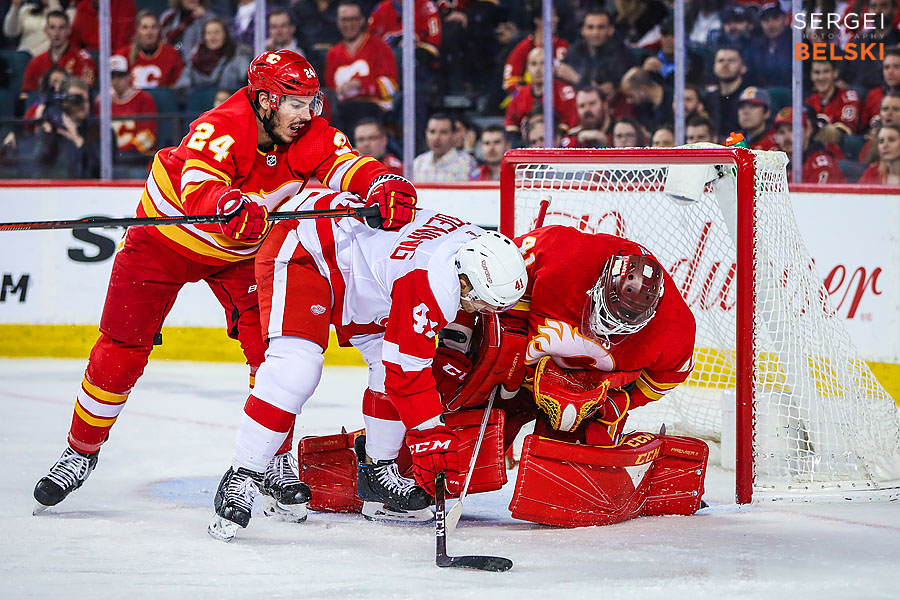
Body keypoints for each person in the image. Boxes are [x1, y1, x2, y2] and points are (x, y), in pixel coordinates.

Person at [32, 50, 418, 515]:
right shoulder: (221, 126)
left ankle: (274, 461)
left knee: (274, 353)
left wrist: (380, 184)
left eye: (312, 102)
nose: (307, 114)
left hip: (240, 254)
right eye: (295, 103)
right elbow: (199, 186)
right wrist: (229, 204)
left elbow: (344, 165)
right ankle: (80, 451)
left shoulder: (305, 129)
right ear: (265, 101)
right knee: (121, 348)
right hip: (164, 239)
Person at [208, 196, 527, 539]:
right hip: (308, 253)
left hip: (365, 276)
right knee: (296, 368)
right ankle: (243, 473)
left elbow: (398, 365)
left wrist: (428, 433)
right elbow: (406, 374)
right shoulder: (434, 280)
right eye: (479, 301)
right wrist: (430, 437)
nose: (479, 310)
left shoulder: (478, 252)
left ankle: (379, 472)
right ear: (464, 281)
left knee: (381, 361)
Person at [432, 226, 700, 527]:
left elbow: (664, 379)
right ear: (597, 287)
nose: (606, 332)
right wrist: (463, 345)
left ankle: (578, 464)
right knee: (473, 390)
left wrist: (621, 401)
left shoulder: (675, 329)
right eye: (605, 317)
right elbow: (486, 282)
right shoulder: (561, 251)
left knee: (578, 449)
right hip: (521, 365)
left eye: (619, 329)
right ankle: (419, 464)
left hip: (591, 391)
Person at [325, 0, 398, 132]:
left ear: (363, 20)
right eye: (344, 20)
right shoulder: (333, 53)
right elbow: (331, 90)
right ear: (337, 22)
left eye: (353, 19)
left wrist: (361, 84)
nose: (348, 24)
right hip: (341, 113)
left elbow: (391, 85)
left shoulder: (379, 47)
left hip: (374, 109)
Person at [30, 75, 99, 178]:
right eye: (77, 99)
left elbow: (96, 169)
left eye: (87, 100)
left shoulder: (99, 130)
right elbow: (41, 165)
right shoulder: (51, 130)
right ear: (64, 102)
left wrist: (75, 137)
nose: (84, 105)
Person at [504, 47, 579, 136]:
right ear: (527, 68)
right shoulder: (519, 94)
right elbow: (510, 129)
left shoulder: (565, 93)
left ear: (552, 67)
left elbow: (574, 131)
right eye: (533, 64)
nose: (538, 69)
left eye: (543, 63)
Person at [20, 10, 97, 94]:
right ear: (46, 30)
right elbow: (27, 95)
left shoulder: (84, 61)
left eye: (61, 28)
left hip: (72, 105)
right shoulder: (35, 63)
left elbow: (87, 92)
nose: (56, 33)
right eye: (52, 27)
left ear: (69, 30)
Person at [99, 55, 158, 159]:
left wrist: (126, 152)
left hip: (138, 158)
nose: (116, 81)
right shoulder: (103, 101)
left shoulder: (144, 99)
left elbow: (148, 135)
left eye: (120, 76)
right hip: (111, 158)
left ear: (129, 76)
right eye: (112, 77)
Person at [557, 9, 633, 88]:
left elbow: (608, 93)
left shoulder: (621, 55)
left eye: (601, 27)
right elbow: (562, 73)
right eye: (590, 27)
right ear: (583, 30)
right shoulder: (575, 50)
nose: (595, 33)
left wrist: (577, 80)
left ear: (611, 30)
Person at [173, 18, 251, 92]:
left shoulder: (239, 55)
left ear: (226, 35)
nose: (212, 37)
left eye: (217, 32)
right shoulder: (195, 58)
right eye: (208, 33)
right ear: (204, 36)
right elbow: (181, 87)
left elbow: (247, 82)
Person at [501, 8, 568, 94]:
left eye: (555, 16)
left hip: (560, 100)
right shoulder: (523, 48)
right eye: (551, 16)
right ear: (537, 20)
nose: (555, 19)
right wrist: (530, 94)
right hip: (530, 102)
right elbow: (509, 83)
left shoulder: (564, 46)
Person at [774, 107, 846, 183]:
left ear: (807, 131)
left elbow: (816, 194)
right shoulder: (777, 163)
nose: (786, 137)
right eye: (781, 132)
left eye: (792, 130)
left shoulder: (821, 164)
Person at [118, 10, 185, 90]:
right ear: (137, 30)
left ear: (159, 29)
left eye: (153, 27)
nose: (149, 32)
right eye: (145, 27)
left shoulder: (172, 54)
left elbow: (179, 86)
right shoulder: (124, 54)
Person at [702, 45, 749, 141]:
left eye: (731, 60)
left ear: (744, 67)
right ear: (714, 67)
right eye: (720, 61)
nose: (725, 64)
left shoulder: (749, 98)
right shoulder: (707, 99)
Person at [413, 113, 476, 181]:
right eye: (432, 132)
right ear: (426, 133)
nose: (436, 138)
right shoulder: (418, 163)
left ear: (453, 135)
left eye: (443, 132)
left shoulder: (465, 163)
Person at [806, 59, 860, 135]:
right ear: (811, 75)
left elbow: (846, 131)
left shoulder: (848, 98)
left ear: (835, 73)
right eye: (817, 72)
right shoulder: (809, 101)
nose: (821, 78)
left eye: (826, 71)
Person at [748, 3, 792, 88]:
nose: (771, 25)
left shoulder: (796, 42)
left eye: (775, 18)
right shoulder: (757, 45)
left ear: (785, 19)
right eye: (766, 20)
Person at [620, 66, 673, 133]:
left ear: (643, 89)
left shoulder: (673, 99)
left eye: (630, 95)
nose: (628, 101)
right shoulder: (641, 110)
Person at [68, 0, 135, 51]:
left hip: (115, 53)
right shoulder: (83, 7)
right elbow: (74, 41)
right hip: (89, 55)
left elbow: (124, 40)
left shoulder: (125, 3)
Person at [861, 47, 900, 131]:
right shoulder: (874, 94)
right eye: (886, 67)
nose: (890, 72)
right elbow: (864, 127)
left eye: (896, 67)